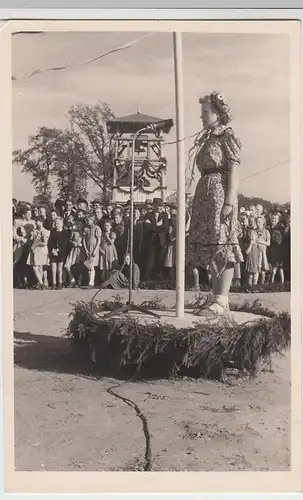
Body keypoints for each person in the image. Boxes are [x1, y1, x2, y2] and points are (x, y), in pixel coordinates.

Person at [186, 91, 243, 315]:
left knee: (223, 244)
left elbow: (235, 170)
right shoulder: (207, 139)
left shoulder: (226, 136)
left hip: (220, 193)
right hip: (205, 194)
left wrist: (229, 201)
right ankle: (215, 297)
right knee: (211, 245)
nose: (202, 116)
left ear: (218, 113)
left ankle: (222, 299)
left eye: (206, 112)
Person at [26, 216, 50, 289]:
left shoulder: (45, 231)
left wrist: (36, 243)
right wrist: (31, 237)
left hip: (41, 250)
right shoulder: (34, 231)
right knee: (36, 267)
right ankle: (41, 283)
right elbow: (30, 240)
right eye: (36, 221)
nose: (36, 223)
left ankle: (41, 283)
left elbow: (45, 243)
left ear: (41, 222)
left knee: (39, 267)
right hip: (35, 250)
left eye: (37, 221)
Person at [48, 217, 70, 290]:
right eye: (55, 223)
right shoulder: (53, 232)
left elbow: (65, 243)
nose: (56, 225)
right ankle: (54, 283)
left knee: (60, 269)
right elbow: (50, 242)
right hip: (53, 252)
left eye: (58, 223)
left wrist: (58, 250)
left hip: (61, 252)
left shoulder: (65, 232)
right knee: (53, 268)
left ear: (62, 224)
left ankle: (60, 282)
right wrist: (52, 250)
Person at [82, 215, 102, 288]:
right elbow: (84, 239)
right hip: (88, 248)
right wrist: (86, 249)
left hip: (94, 249)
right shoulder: (86, 229)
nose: (87, 222)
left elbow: (99, 240)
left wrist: (95, 250)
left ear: (93, 220)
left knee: (92, 265)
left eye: (88, 220)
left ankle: (91, 282)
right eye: (86, 221)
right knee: (88, 266)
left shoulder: (97, 228)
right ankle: (90, 281)